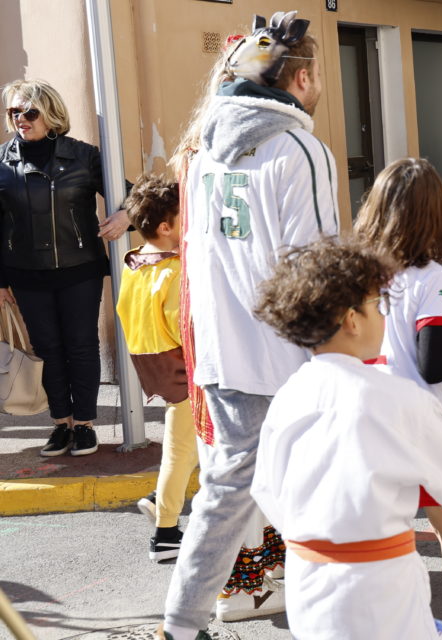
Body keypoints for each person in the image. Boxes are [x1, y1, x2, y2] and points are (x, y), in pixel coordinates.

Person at [162, 12, 337, 638]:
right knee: (324, 494)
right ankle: (343, 615)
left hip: (223, 352)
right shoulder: (300, 150)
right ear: (303, 77)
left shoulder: (203, 153)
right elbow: (315, 266)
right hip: (288, 360)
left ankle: (180, 622)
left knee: (225, 495)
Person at [250, 239, 442, 640]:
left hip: (307, 586)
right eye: (378, 306)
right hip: (382, 588)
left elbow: (265, 489)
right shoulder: (398, 399)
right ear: (351, 320)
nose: (384, 316)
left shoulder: (288, 396)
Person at [351, 159, 442, 638]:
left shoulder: (358, 274)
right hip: (419, 425)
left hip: (365, 420)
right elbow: (434, 361)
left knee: (382, 540)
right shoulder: (432, 277)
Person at [0, 79, 131, 458]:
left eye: (29, 112)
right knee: (47, 348)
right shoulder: (3, 163)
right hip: (26, 273)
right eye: (14, 112)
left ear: (50, 112)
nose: (20, 119)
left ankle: (86, 425)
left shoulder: (84, 156)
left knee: (81, 345)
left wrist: (126, 215)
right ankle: (61, 424)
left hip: (80, 270)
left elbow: (138, 194)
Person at [116, 175, 193, 562]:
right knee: (180, 451)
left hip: (152, 365)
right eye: (184, 218)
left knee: (189, 446)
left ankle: (158, 500)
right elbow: (187, 327)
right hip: (184, 369)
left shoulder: (133, 263)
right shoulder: (176, 271)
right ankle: (165, 532)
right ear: (166, 227)